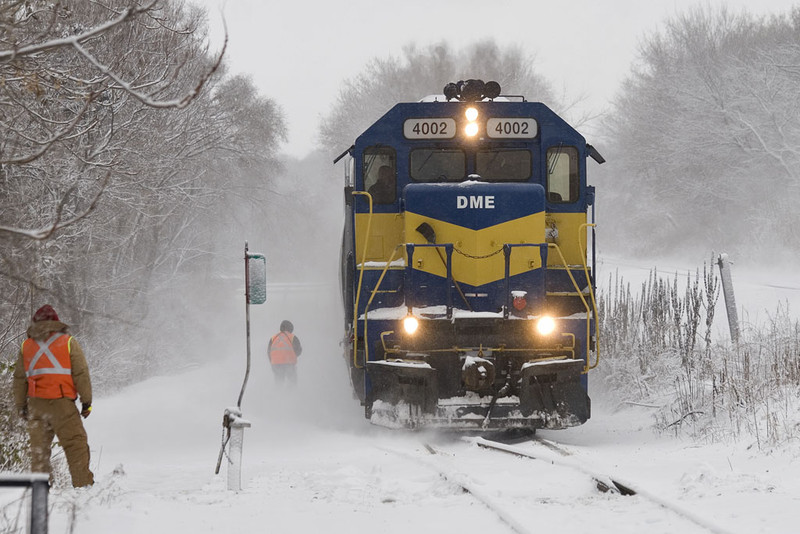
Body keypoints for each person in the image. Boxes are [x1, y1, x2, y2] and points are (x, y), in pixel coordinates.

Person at [13, 305, 94, 488]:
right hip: (62, 404)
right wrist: (86, 401)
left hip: (36, 406)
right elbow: (81, 373)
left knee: (39, 452)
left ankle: (41, 492)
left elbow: (19, 378)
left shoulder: (26, 345)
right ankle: (83, 488)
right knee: (75, 445)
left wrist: (21, 405)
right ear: (56, 322)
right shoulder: (68, 342)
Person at [267, 320, 302, 386]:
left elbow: (269, 352)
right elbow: (298, 351)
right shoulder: (292, 337)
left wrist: (273, 362)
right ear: (290, 328)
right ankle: (291, 394)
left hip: (276, 364)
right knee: (292, 382)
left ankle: (278, 395)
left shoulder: (273, 338)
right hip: (289, 363)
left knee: (279, 383)